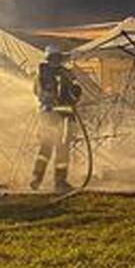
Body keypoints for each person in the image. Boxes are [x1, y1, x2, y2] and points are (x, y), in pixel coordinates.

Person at [31, 46, 82, 192]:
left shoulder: (43, 73)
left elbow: (36, 92)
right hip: (58, 117)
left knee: (47, 149)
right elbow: (70, 94)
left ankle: (37, 178)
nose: (56, 61)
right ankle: (58, 182)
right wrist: (74, 95)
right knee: (59, 150)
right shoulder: (61, 74)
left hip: (49, 117)